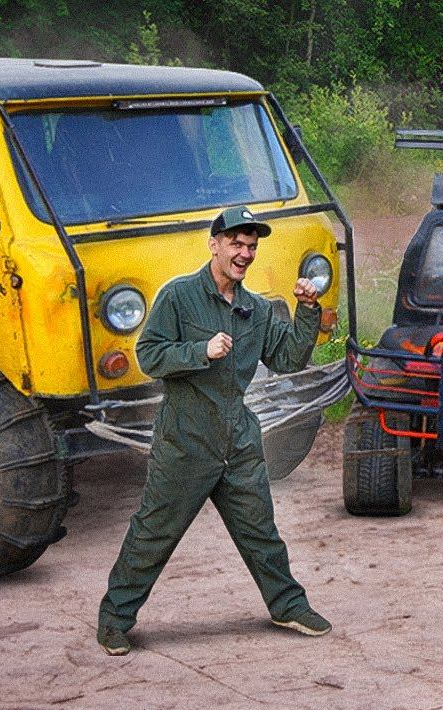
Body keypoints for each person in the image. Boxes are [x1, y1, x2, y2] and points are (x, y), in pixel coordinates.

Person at [97, 205, 330, 655]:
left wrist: (307, 311)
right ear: (215, 245)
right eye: (236, 244)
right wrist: (199, 350)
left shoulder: (256, 309)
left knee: (260, 530)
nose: (244, 253)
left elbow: (288, 360)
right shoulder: (179, 297)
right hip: (186, 439)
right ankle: (114, 620)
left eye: (251, 246)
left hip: (238, 439)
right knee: (154, 533)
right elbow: (149, 355)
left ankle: (287, 605)